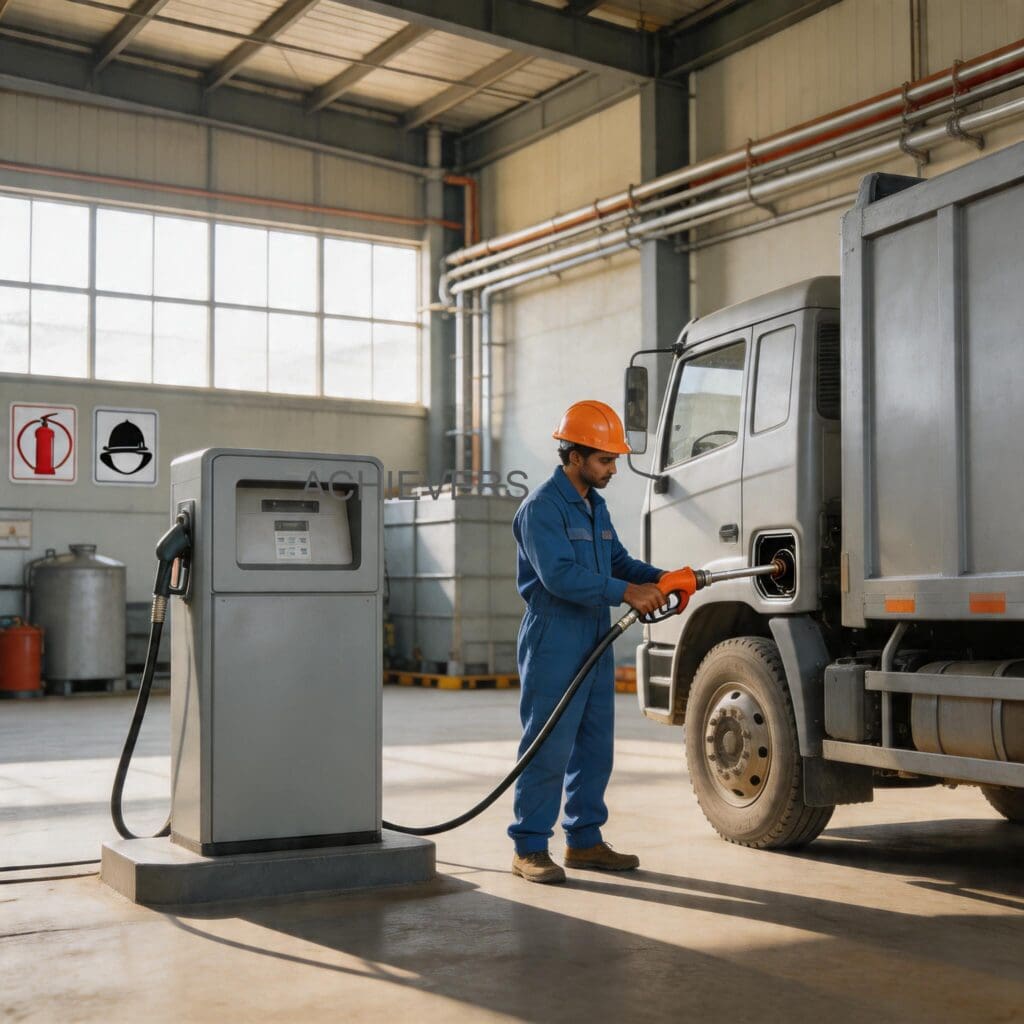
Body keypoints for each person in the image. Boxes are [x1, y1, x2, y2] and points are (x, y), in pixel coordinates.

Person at [508, 399, 676, 884]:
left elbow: (617, 561)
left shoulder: (594, 506)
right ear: (574, 456)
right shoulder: (541, 508)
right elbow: (559, 576)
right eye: (605, 460)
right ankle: (529, 847)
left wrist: (663, 579)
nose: (613, 469)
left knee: (594, 744)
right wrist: (628, 593)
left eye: (615, 460)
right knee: (549, 744)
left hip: (594, 632)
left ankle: (584, 841)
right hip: (555, 632)